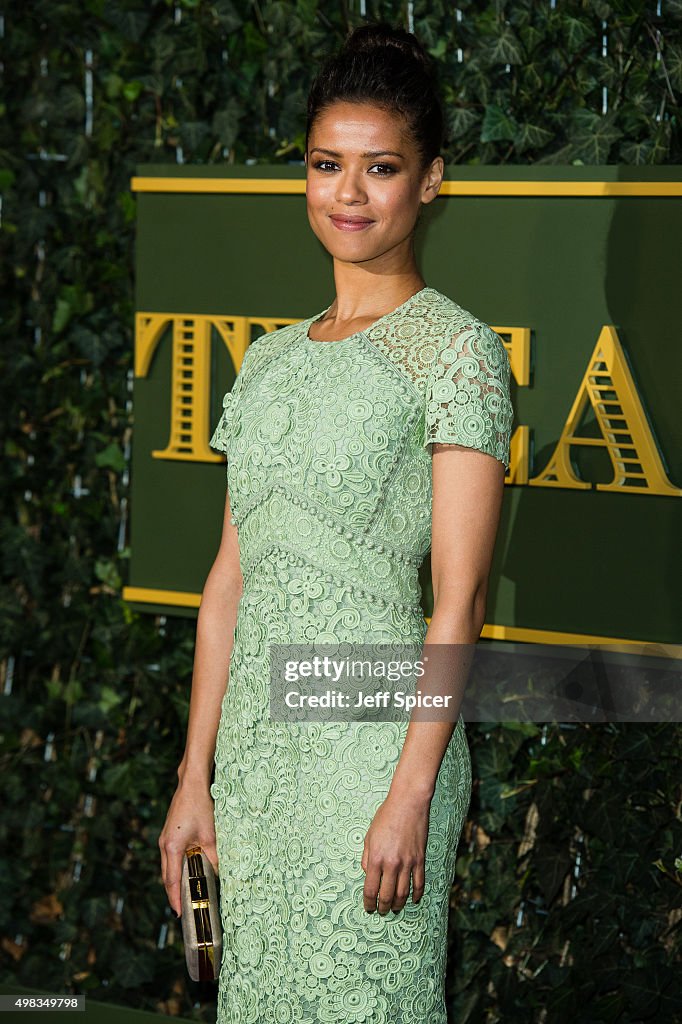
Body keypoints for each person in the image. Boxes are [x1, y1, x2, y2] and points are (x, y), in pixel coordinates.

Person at [159, 20, 513, 1024]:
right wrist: (196, 780)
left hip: (376, 753)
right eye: (326, 165)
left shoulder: (457, 353)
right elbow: (227, 580)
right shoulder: (268, 358)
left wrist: (409, 793)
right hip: (259, 766)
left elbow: (461, 602)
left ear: (429, 181)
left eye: (379, 168)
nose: (347, 194)